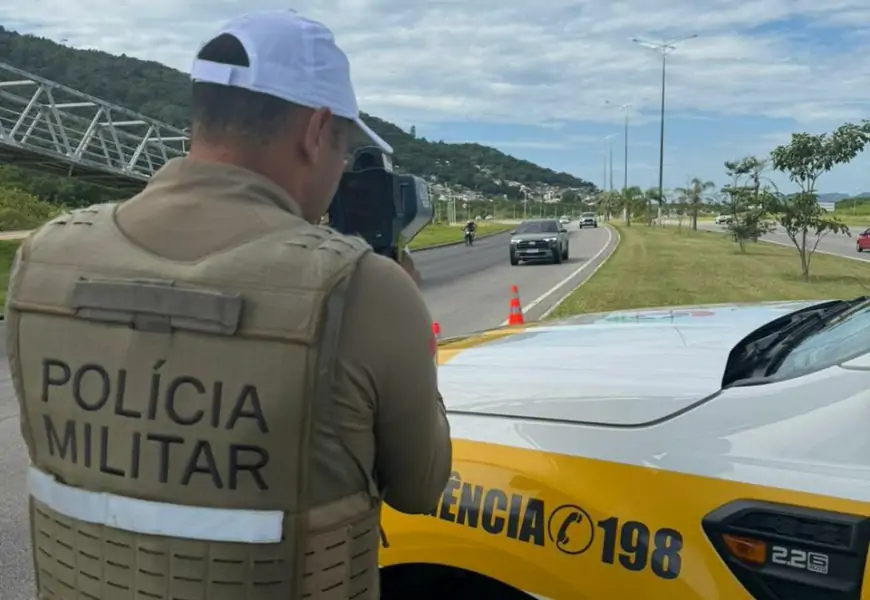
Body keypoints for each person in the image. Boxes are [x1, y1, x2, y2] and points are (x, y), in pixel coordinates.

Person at [6, 9, 451, 600]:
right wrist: (409, 318)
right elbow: (420, 487)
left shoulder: (43, 259)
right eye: (343, 148)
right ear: (316, 131)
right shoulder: (365, 287)